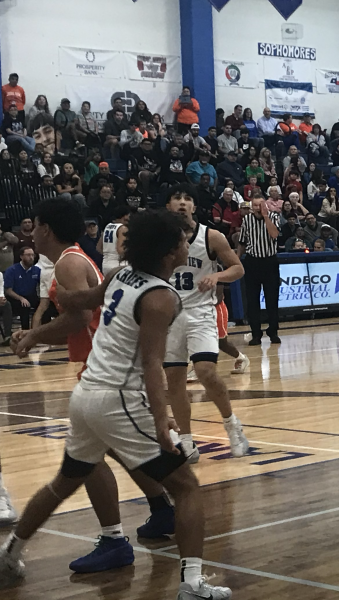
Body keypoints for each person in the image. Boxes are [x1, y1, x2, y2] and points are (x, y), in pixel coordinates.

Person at [0, 209, 233, 600]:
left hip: (86, 395)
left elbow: (82, 299)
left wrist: (49, 307)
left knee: (63, 482)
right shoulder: (162, 298)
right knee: (188, 488)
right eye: (180, 241)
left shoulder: (118, 276)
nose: (185, 245)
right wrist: (162, 421)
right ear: (167, 253)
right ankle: (192, 584)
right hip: (119, 399)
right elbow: (151, 364)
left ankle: (10, 554)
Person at [162, 185, 249, 462]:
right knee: (174, 382)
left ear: (194, 207)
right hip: (168, 317)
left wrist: (217, 277)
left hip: (200, 313)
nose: (183, 202)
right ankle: (187, 442)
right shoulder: (158, 239)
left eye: (187, 198)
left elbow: (238, 268)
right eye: (178, 198)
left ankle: (232, 425)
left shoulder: (211, 236)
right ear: (168, 206)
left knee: (205, 373)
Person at [238, 195, 282, 345]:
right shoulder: (247, 220)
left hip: (270, 262)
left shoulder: (274, 216)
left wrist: (265, 217)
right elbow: (242, 242)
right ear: (252, 207)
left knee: (272, 299)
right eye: (255, 205)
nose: (258, 208)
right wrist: (237, 260)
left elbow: (274, 234)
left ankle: (273, 331)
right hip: (252, 262)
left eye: (261, 205)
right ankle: (256, 333)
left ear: (266, 205)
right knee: (252, 300)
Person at [3, 247, 40, 332]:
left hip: (31, 295)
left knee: (45, 305)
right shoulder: (12, 270)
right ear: (21, 256)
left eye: (32, 255)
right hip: (15, 297)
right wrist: (21, 298)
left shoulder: (36, 270)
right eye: (28, 255)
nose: (31, 257)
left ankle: (43, 331)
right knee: (24, 306)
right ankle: (25, 332)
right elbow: (8, 290)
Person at [97, 207, 131, 277]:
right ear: (124, 216)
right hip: (118, 265)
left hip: (105, 264)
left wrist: (109, 254)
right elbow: (120, 250)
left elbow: (98, 248)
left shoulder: (107, 226)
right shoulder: (123, 228)